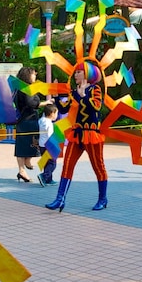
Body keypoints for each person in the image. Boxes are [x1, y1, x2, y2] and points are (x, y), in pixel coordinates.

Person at [46, 60, 108, 212]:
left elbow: (96, 107)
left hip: (92, 134)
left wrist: (82, 96)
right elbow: (65, 107)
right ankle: (60, 199)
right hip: (77, 134)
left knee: (98, 167)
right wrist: (56, 98)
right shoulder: (74, 92)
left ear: (86, 74)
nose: (75, 75)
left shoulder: (96, 89)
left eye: (78, 72)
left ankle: (102, 198)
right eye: (76, 72)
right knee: (67, 165)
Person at [13, 66, 40, 183]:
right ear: (27, 75)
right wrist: (43, 103)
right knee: (22, 146)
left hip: (30, 120)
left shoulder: (25, 88)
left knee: (32, 143)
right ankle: (21, 170)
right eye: (34, 74)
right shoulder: (25, 88)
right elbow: (30, 103)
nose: (35, 75)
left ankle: (27, 161)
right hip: (25, 120)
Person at [37, 103, 59, 185]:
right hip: (49, 146)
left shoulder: (41, 120)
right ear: (52, 113)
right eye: (56, 113)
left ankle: (48, 180)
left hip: (42, 145)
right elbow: (50, 136)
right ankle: (44, 176)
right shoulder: (49, 124)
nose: (56, 115)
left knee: (46, 163)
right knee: (52, 164)